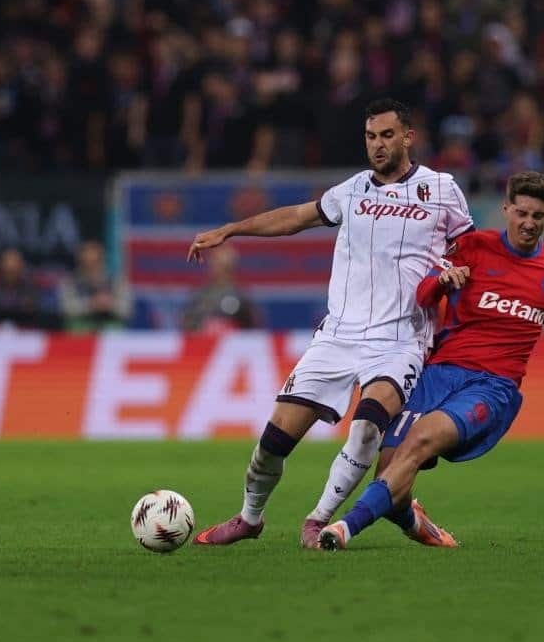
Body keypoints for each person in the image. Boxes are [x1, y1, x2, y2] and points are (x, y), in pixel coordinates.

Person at [187, 98, 474, 548]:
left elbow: (475, 253)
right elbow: (297, 217)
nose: (377, 145)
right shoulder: (353, 190)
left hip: (400, 340)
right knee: (273, 441)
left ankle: (318, 520)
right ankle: (249, 519)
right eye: (370, 136)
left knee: (366, 428)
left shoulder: (441, 189)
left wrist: (488, 282)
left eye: (386, 135)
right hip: (338, 336)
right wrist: (230, 229)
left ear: (408, 137)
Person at [319, 171, 544, 550]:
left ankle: (343, 529)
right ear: (507, 208)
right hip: (438, 374)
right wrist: (443, 281)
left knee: (420, 441)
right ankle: (413, 521)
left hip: (492, 387)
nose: (528, 223)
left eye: (538, 216)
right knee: (392, 475)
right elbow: (423, 294)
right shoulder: (472, 247)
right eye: (522, 213)